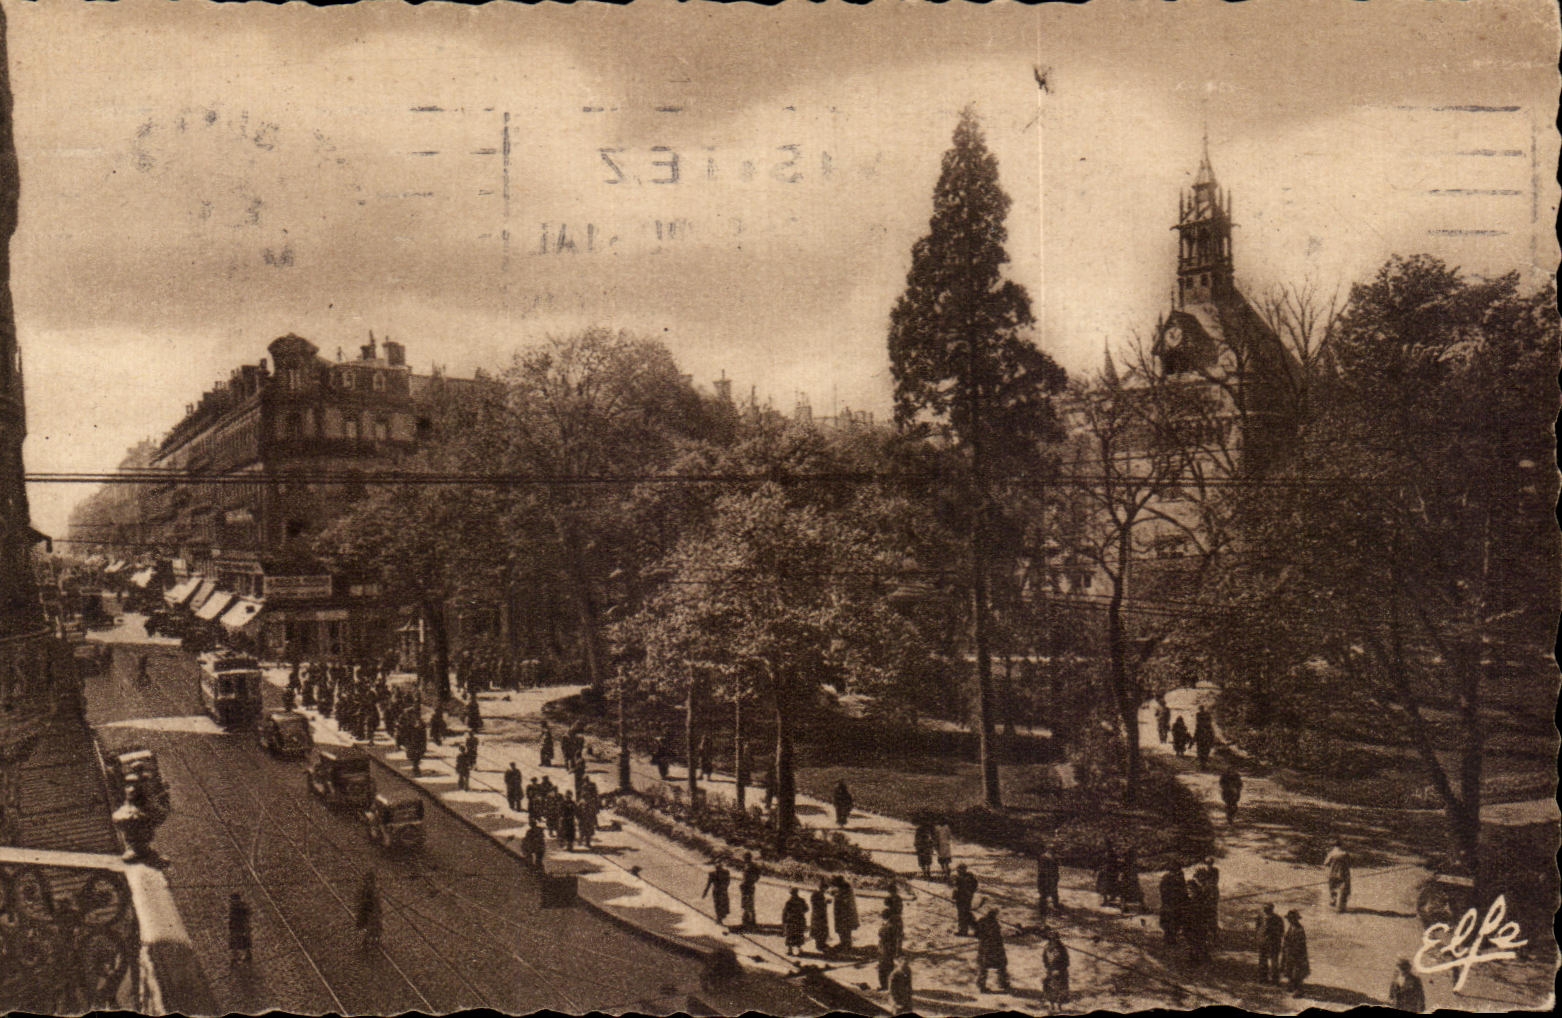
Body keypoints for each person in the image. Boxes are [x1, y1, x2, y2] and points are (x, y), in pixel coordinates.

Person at [974, 907, 1009, 993]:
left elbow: (977, 934)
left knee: (983, 966)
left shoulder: (981, 921)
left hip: (984, 947)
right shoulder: (994, 924)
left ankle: (981, 985)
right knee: (1001, 965)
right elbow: (997, 936)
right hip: (994, 949)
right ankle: (1002, 982)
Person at [1279, 909, 1310, 994]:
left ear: (1296, 919)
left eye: (1292, 918)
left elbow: (1300, 944)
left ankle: (1299, 990)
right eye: (1289, 918)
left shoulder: (1299, 929)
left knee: (1297, 972)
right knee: (1289, 970)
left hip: (1297, 955)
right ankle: (1291, 986)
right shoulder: (1291, 927)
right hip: (1289, 953)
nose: (1290, 920)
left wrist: (1293, 952)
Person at [1255, 902, 1285, 984]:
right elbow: (1257, 929)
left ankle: (1275, 980)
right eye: (1265, 909)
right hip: (1263, 942)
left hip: (1273, 943)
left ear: (1272, 909)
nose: (1266, 910)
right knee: (1262, 960)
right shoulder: (1260, 917)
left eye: (1268, 909)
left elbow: (1281, 931)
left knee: (1274, 962)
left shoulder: (1277, 919)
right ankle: (1262, 978)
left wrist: (1277, 939)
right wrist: (1259, 939)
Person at [1159, 866, 1189, 946]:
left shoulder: (1168, 877)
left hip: (1170, 903)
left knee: (1171, 921)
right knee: (1172, 921)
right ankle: (1170, 939)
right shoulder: (1173, 878)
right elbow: (1183, 890)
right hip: (1173, 903)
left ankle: (1169, 938)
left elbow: (1162, 890)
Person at [1041, 929, 1070, 1009]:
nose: (1053, 940)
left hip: (1061, 972)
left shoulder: (1062, 949)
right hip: (1050, 971)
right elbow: (1045, 959)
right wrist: (1048, 968)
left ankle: (1059, 1005)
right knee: (1049, 987)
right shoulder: (1047, 948)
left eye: (1055, 939)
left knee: (1060, 989)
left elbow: (1066, 961)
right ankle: (1052, 1005)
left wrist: (1060, 970)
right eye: (1051, 939)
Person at [877, 905, 903, 991]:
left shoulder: (888, 926)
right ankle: (889, 986)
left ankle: (884, 986)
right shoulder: (892, 925)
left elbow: (881, 934)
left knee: (883, 968)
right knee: (889, 967)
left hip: (886, 950)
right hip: (889, 949)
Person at [356, 871, 383, 951]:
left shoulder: (368, 888)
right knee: (371, 925)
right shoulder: (370, 889)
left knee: (372, 925)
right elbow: (372, 900)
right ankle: (367, 941)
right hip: (369, 909)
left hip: (369, 909)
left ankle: (370, 941)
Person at [832, 876, 859, 952]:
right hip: (842, 914)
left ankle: (846, 945)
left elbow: (845, 900)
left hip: (845, 914)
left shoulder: (846, 887)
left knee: (845, 929)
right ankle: (843, 943)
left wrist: (837, 896)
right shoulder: (844, 887)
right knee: (842, 929)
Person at [1324, 839, 1352, 912]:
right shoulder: (1345, 853)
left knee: (1332, 888)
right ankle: (1342, 906)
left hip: (1333, 873)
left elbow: (1326, 863)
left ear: (1334, 846)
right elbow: (1349, 863)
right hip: (1343, 874)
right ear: (1342, 845)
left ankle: (1333, 901)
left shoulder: (1331, 853)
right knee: (1344, 889)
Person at [702, 861, 732, 928]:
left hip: (723, 891)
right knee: (717, 904)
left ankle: (720, 917)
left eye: (719, 868)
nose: (718, 869)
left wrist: (725, 887)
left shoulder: (726, 872)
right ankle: (719, 918)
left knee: (723, 904)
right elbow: (709, 883)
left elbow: (728, 881)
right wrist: (705, 892)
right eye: (717, 868)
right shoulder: (712, 874)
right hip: (716, 891)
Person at [953, 863, 979, 936]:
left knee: (964, 915)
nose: (958, 872)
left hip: (965, 899)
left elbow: (972, 888)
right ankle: (976, 928)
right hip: (961, 899)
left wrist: (967, 893)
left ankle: (964, 930)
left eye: (959, 870)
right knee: (965, 914)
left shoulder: (968, 878)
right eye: (958, 870)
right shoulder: (960, 878)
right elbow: (956, 888)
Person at [781, 888, 809, 956]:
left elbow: (785, 912)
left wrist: (784, 921)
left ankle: (790, 950)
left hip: (791, 921)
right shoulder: (802, 900)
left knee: (790, 935)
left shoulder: (789, 902)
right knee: (799, 935)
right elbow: (806, 909)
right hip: (799, 920)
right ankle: (799, 950)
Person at [227, 892, 252, 966]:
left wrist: (246, 927)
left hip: (240, 927)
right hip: (235, 927)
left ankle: (239, 957)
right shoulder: (234, 907)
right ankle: (236, 957)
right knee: (236, 941)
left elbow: (246, 917)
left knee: (240, 941)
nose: (231, 902)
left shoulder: (240, 908)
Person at [1036, 843, 1061, 916]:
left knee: (1054, 894)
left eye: (1053, 849)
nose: (1053, 850)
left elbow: (1056, 869)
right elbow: (1042, 869)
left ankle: (1055, 908)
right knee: (1044, 895)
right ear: (1048, 849)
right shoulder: (1043, 857)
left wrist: (1056, 877)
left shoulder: (1054, 858)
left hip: (1052, 878)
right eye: (1052, 849)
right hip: (1044, 879)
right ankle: (1043, 911)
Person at [1119, 846, 1146, 913]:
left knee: (1125, 893)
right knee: (1136, 893)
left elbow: (1122, 870)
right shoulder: (1131, 863)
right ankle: (1143, 907)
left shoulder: (1126, 862)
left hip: (1128, 879)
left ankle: (1123, 907)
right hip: (1131, 879)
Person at [1095, 840, 1120, 909]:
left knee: (1106, 886)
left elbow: (1112, 863)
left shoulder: (1109, 853)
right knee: (1106, 886)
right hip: (1107, 872)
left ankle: (1107, 899)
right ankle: (1108, 899)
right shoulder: (1108, 853)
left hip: (1108, 872)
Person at [810, 879, 831, 955]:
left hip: (820, 915)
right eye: (825, 889)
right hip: (818, 915)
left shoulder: (819, 893)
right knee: (819, 929)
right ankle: (819, 945)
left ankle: (822, 943)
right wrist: (825, 902)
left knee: (822, 929)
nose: (825, 890)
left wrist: (825, 902)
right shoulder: (816, 894)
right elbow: (816, 904)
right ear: (822, 887)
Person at [739, 852, 761, 928]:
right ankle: (749, 920)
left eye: (745, 858)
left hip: (748, 886)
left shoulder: (751, 866)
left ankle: (748, 921)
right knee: (747, 903)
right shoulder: (748, 865)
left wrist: (752, 881)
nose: (744, 859)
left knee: (748, 903)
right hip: (746, 886)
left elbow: (757, 875)